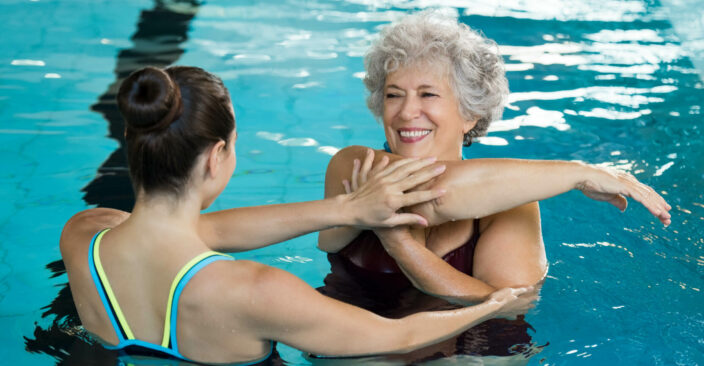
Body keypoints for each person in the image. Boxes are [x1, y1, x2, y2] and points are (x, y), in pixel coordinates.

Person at [59, 66, 536, 365]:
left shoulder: (84, 237)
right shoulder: (254, 292)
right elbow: (401, 335)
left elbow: (199, 230)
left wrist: (344, 210)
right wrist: (496, 303)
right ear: (215, 157)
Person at [316, 11, 671, 360]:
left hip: (470, 353)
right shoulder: (355, 166)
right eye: (394, 95)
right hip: (353, 347)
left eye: (428, 95)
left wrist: (401, 246)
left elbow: (513, 302)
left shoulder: (512, 202)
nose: (407, 112)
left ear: (469, 114)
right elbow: (434, 194)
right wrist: (575, 173)